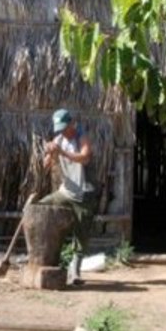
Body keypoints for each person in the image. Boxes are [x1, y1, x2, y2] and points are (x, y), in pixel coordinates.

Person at [41, 108, 96, 285]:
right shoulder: (59, 139)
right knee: (40, 207)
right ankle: (41, 256)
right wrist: (49, 152)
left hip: (84, 191)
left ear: (72, 123)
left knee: (82, 233)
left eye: (65, 127)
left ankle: (75, 271)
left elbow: (85, 157)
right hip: (67, 190)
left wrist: (63, 153)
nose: (63, 131)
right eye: (60, 128)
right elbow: (45, 166)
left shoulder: (81, 137)